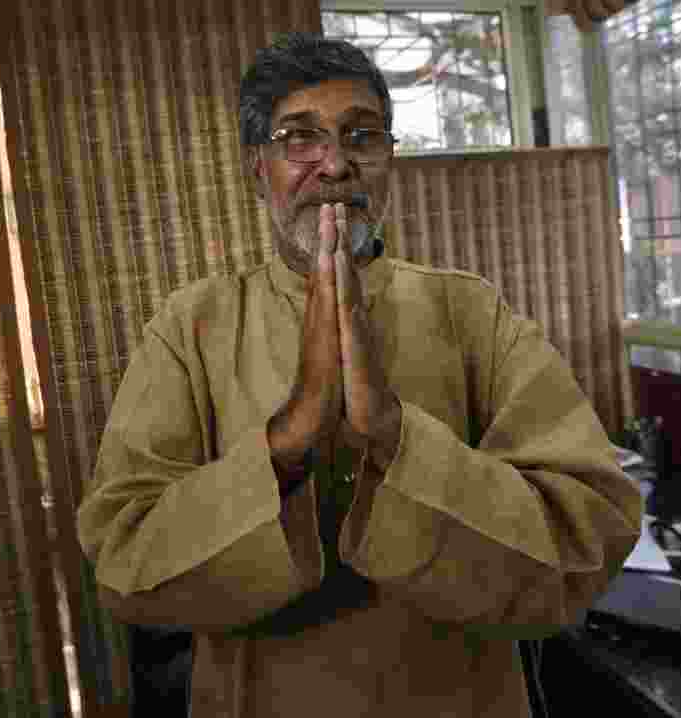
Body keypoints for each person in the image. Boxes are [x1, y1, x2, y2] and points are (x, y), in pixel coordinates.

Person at [77, 32, 642, 718]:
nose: (335, 165)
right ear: (260, 170)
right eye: (298, 139)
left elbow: (591, 535)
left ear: (389, 162)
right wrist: (294, 432)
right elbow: (124, 556)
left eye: (362, 137)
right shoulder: (192, 324)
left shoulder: (470, 310)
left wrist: (395, 430)